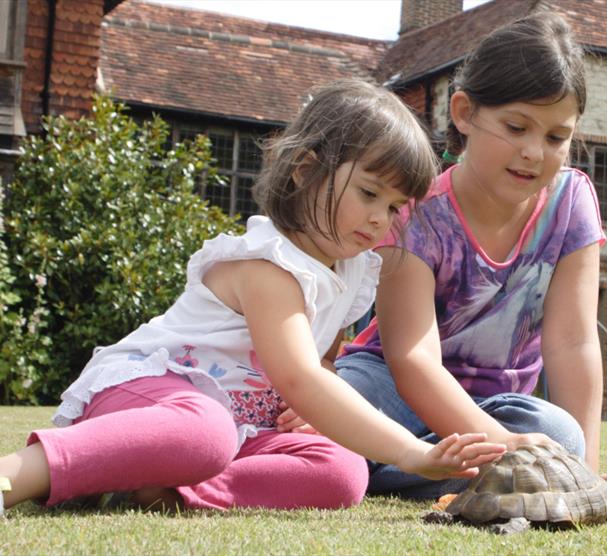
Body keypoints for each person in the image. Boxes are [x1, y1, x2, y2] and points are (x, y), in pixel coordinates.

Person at [0, 80, 506, 515]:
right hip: (149, 393)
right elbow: (299, 377)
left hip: (234, 424)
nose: (381, 218)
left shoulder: (350, 270)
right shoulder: (270, 265)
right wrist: (410, 454)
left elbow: (317, 370)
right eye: (369, 193)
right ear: (305, 171)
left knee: (343, 469)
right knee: (203, 433)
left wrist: (310, 410)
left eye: (396, 206)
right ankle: (18, 475)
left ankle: (173, 491)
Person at [318, 12, 607, 498]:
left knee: (561, 437)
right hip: (391, 385)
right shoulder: (417, 210)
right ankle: (399, 458)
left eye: (557, 137)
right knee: (338, 407)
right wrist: (503, 445)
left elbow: (572, 344)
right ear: (465, 113)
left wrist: (584, 473)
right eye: (517, 127)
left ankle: (389, 466)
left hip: (498, 402)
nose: (535, 152)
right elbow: (412, 357)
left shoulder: (571, 201)